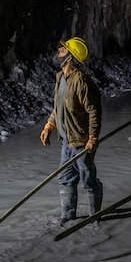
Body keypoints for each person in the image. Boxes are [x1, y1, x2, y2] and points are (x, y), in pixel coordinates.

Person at [39, 36, 103, 225]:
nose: (59, 51)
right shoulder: (60, 78)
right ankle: (68, 217)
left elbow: (94, 111)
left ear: (70, 58)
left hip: (82, 143)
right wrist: (49, 126)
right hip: (66, 142)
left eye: (63, 49)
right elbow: (58, 108)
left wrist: (93, 137)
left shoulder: (82, 82)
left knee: (88, 181)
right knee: (65, 179)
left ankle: (95, 217)